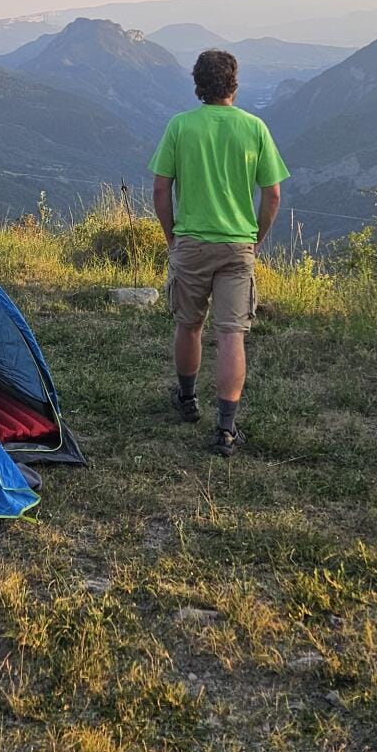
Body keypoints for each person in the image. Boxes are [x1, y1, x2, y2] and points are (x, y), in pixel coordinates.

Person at [148, 48, 289, 457]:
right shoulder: (255, 128)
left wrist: (172, 237)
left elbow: (160, 188)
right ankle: (226, 428)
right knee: (231, 334)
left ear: (197, 85)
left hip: (190, 242)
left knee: (189, 324)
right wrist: (255, 238)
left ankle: (187, 400)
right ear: (234, 84)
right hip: (237, 245)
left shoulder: (180, 126)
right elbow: (273, 193)